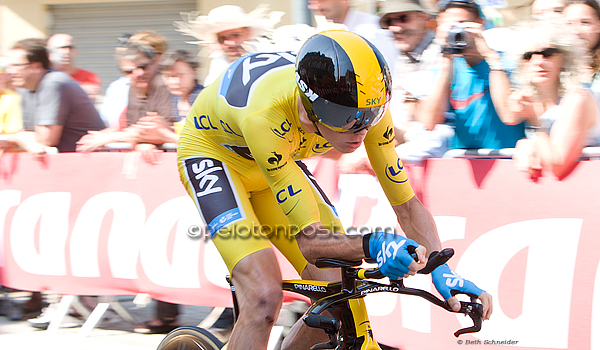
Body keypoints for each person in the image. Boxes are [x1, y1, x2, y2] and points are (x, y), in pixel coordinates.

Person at [177, 30, 492, 350]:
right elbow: (312, 242)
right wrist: (375, 244)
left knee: (337, 298)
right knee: (263, 299)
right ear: (312, 108)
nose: (361, 130)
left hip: (273, 157)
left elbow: (407, 206)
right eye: (346, 119)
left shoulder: (365, 108)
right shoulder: (267, 117)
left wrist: (440, 269)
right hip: (216, 157)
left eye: (370, 116)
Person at [501, 18, 600, 179]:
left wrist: (534, 123)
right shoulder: (533, 100)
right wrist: (527, 143)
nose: (538, 61)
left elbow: (557, 166)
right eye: (528, 55)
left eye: (547, 53)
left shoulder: (577, 98)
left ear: (564, 58)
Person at [420, 0, 525, 150]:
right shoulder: (446, 69)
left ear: (480, 23)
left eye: (462, 24)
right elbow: (429, 122)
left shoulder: (506, 64)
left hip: (507, 160)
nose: (457, 32)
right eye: (450, 26)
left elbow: (510, 116)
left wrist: (490, 57)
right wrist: (446, 59)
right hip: (465, 163)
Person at [77, 40, 174, 164]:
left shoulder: (163, 85)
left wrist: (107, 138)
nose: (138, 73)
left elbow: (157, 131)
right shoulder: (134, 86)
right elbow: (132, 128)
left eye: (143, 67)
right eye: (129, 71)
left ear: (155, 62)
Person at [1, 38, 104, 156]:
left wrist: (18, 137)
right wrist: (22, 137)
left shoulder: (53, 83)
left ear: (36, 67)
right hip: (64, 163)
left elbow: (46, 140)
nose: (9, 71)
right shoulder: (25, 87)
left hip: (87, 162)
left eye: (15, 65)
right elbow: (30, 133)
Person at [175, 4, 283, 86]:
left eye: (235, 35)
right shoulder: (217, 67)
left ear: (247, 34)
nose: (229, 43)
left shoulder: (269, 58)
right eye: (222, 38)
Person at [308, 0, 398, 73]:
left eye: (321, 0)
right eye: (312, 1)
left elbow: (388, 76)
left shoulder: (375, 30)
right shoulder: (323, 31)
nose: (315, 6)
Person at [46, 34, 101, 103]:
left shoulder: (89, 76)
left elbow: (88, 103)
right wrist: (80, 89)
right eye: (62, 48)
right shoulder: (42, 75)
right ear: (49, 52)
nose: (67, 52)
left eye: (70, 48)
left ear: (76, 51)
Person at [99, 34, 133, 129]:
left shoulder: (151, 84)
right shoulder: (115, 86)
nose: (122, 59)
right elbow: (105, 118)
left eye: (126, 55)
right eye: (119, 55)